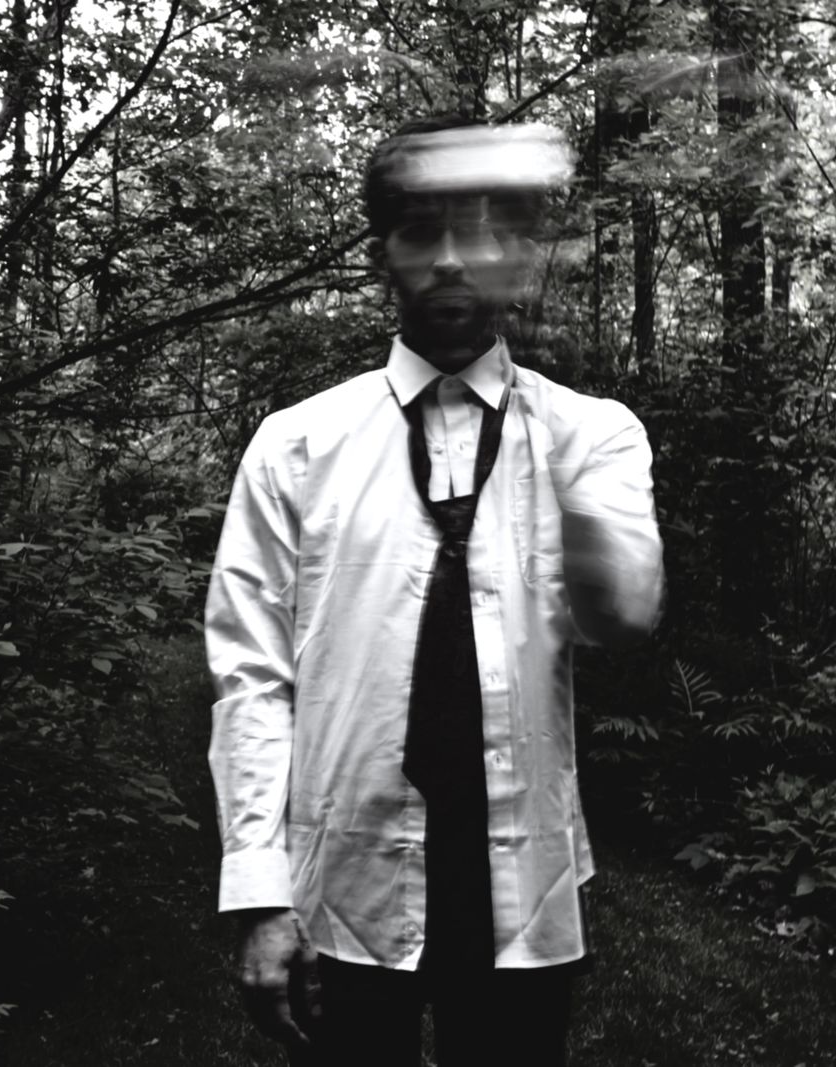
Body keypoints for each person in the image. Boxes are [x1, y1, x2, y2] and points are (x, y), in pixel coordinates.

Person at [204, 114, 665, 1067]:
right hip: (343, 880)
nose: (454, 259)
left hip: (518, 881)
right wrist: (258, 894)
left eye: (482, 234)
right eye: (424, 234)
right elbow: (251, 677)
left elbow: (622, 618)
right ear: (382, 254)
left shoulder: (593, 433)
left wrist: (565, 454)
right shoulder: (295, 446)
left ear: (515, 256)